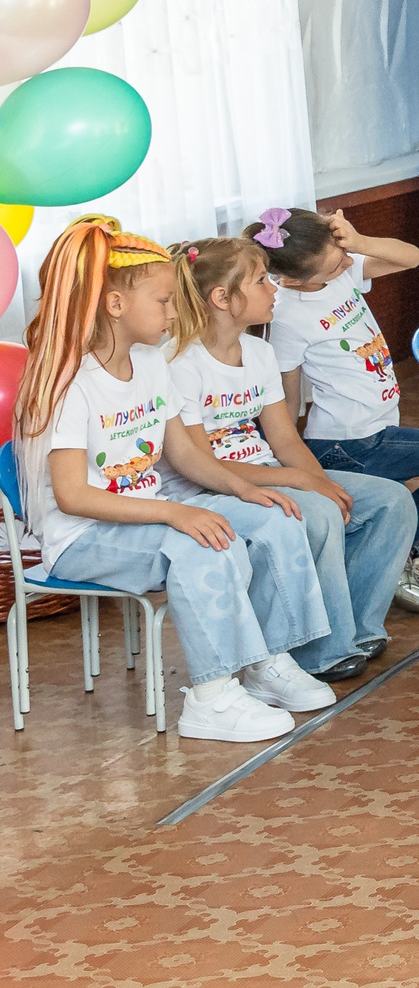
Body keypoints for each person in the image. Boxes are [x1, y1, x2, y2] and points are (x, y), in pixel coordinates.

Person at [13, 218, 336, 742]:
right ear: (116, 306)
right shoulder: (70, 385)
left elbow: (183, 453)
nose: (172, 311)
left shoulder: (148, 361)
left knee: (274, 518)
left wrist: (245, 490)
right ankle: (211, 698)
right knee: (205, 547)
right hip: (82, 538)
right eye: (162, 301)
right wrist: (175, 512)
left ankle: (266, 663)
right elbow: (73, 497)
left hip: (149, 511)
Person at [165, 235, 418, 682]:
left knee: (391, 501)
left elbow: (284, 438)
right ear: (222, 298)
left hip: (269, 471)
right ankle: (319, 651)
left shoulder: (259, 353)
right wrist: (305, 486)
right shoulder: (180, 364)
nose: (274, 289)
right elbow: (202, 463)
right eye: (261, 280)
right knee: (316, 513)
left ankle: (357, 628)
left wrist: (323, 482)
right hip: (216, 485)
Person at [266, 208, 419, 616]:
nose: (344, 265)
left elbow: (412, 257)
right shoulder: (287, 315)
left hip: (377, 428)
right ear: (294, 278)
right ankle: (399, 556)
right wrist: (294, 464)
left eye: (342, 258)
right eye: (334, 263)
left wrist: (357, 244)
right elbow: (286, 400)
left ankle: (388, 558)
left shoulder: (340, 271)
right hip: (347, 441)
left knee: (410, 493)